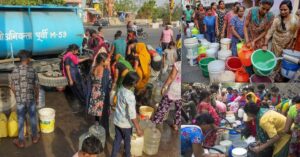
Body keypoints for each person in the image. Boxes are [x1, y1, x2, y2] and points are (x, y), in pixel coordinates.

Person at [10, 50, 40, 148]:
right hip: (30, 99)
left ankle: (21, 141)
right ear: (27, 59)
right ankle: (35, 137)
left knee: (21, 119)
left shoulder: (15, 70)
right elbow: (36, 86)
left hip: (20, 100)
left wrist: (17, 96)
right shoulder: (32, 70)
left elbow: (13, 87)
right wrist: (36, 98)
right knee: (32, 118)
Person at [263, 0, 299, 76]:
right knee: (275, 60)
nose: (282, 12)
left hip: (287, 45)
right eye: (281, 10)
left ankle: (279, 73)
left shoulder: (295, 19)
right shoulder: (277, 19)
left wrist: (292, 44)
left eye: (285, 10)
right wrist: (265, 44)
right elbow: (270, 32)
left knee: (284, 60)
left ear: (290, 9)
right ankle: (272, 73)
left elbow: (295, 33)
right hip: (276, 44)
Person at [111, 72, 143, 157]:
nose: (138, 83)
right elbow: (132, 115)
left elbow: (122, 106)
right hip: (126, 125)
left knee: (117, 141)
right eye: (137, 82)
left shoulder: (120, 89)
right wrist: (138, 128)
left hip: (117, 121)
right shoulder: (130, 95)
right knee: (127, 143)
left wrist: (138, 115)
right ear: (133, 83)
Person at [152, 61, 182, 131]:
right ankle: (176, 125)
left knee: (163, 106)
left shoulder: (178, 64)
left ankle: (157, 121)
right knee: (179, 110)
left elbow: (172, 77)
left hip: (174, 89)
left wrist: (164, 86)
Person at [88, 53, 112, 128]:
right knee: (104, 110)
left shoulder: (93, 68)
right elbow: (108, 83)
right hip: (102, 93)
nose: (109, 61)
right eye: (107, 60)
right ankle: (104, 126)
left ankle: (96, 124)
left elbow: (92, 81)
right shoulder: (105, 71)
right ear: (102, 61)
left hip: (94, 92)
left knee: (97, 110)